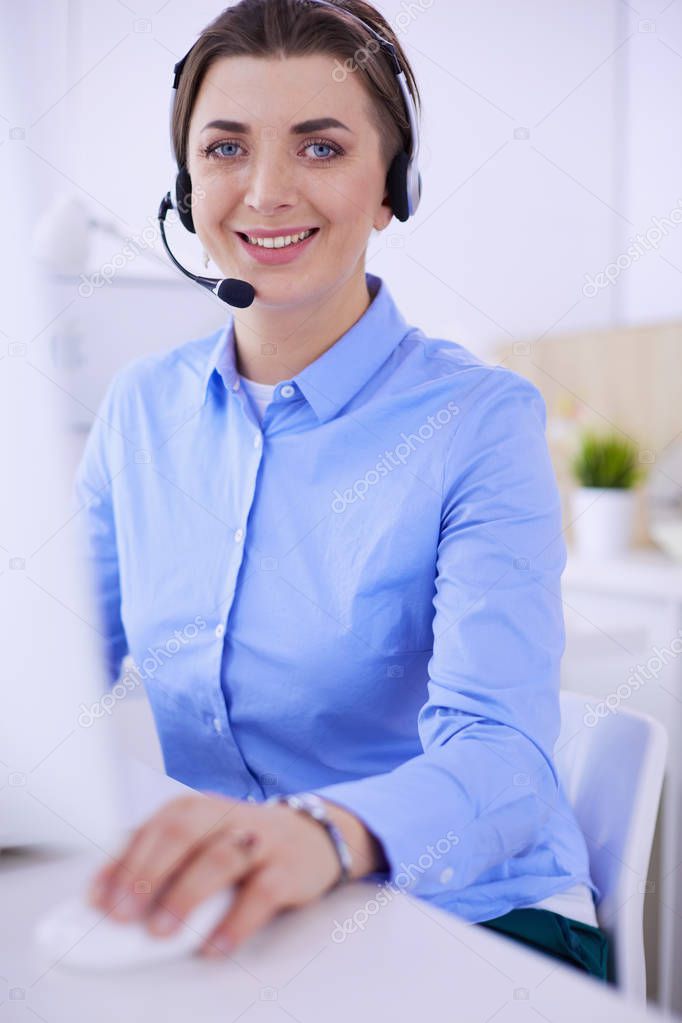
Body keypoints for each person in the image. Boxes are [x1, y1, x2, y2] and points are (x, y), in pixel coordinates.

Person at [77, 0, 610, 980]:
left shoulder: (480, 421)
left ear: (390, 188)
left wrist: (321, 833)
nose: (265, 191)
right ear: (185, 185)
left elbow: (506, 761)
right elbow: (50, 661)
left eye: (319, 149)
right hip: (251, 924)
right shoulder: (140, 411)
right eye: (226, 148)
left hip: (475, 921)